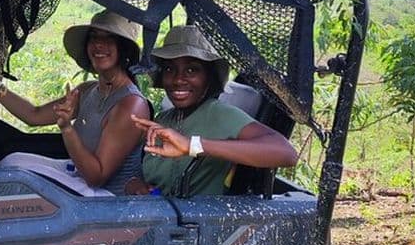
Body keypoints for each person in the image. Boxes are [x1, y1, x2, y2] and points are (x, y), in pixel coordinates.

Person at [125, 25, 297, 196]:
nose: (178, 79)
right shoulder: (164, 119)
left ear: (209, 77)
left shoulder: (221, 115)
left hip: (199, 221)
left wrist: (192, 145)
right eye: (170, 69)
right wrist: (135, 184)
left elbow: (286, 153)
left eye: (191, 70)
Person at [0, 9, 150, 195]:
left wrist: (67, 128)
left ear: (123, 48)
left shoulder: (131, 104)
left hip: (107, 198)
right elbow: (33, 115)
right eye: (94, 37)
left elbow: (97, 177)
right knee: (11, 162)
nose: (99, 45)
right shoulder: (88, 90)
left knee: (12, 178)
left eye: (109, 39)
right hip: (78, 176)